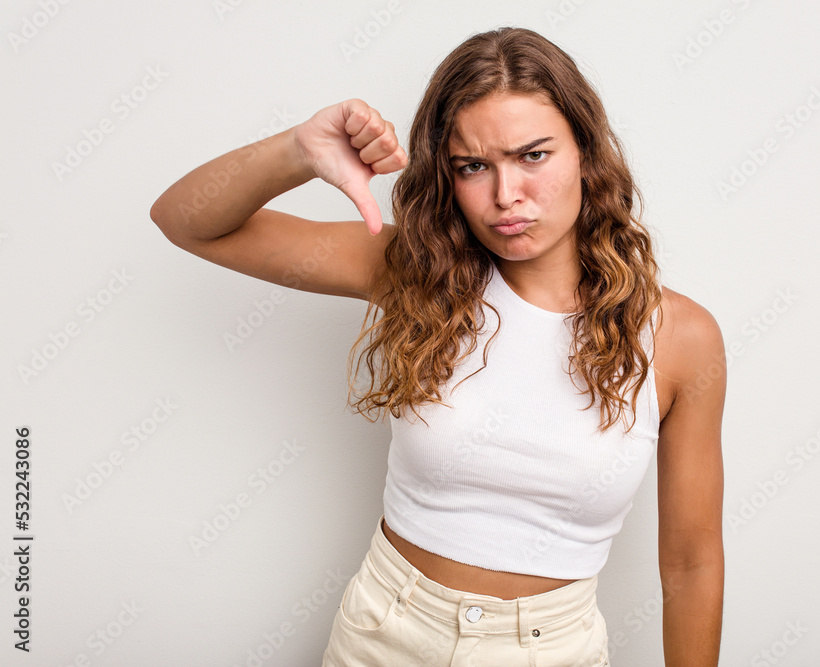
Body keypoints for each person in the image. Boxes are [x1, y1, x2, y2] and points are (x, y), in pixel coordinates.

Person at [150, 26, 724, 667]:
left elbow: (692, 562)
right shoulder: (416, 271)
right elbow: (186, 222)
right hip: (385, 634)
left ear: (586, 154)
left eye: (533, 155)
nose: (506, 196)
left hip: (551, 650)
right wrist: (298, 151)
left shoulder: (680, 338)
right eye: (473, 167)